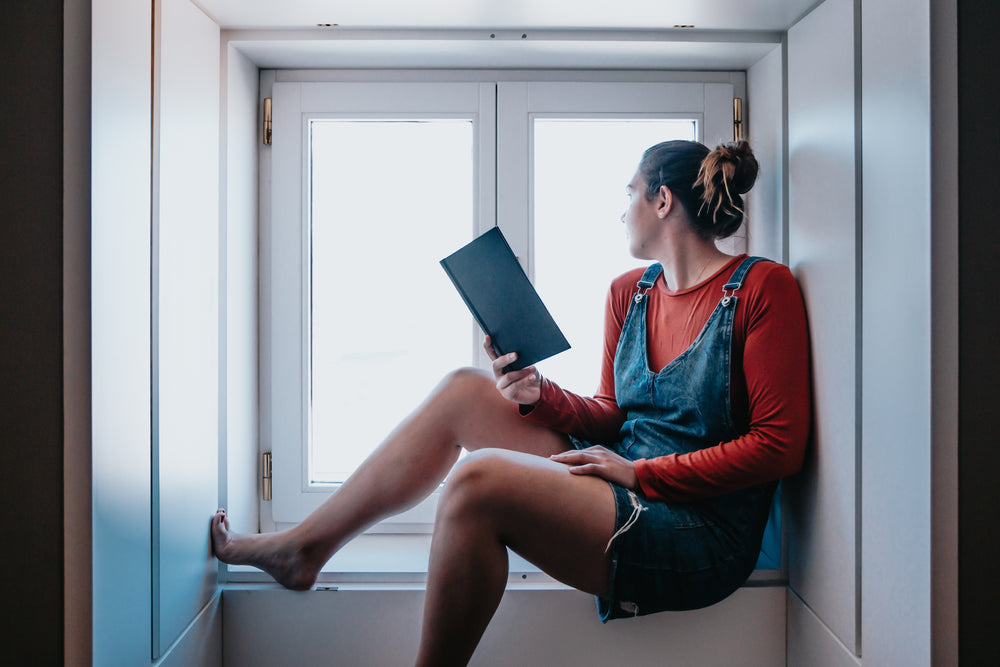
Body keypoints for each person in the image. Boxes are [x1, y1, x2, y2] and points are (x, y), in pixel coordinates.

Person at [211, 139, 810, 666]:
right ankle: (304, 549)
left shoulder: (763, 287)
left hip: (698, 527)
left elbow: (779, 447)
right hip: (622, 474)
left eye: (629, 193)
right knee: (464, 388)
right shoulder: (630, 291)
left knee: (477, 482)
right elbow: (612, 412)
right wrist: (538, 396)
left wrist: (638, 471)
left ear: (661, 202)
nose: (620, 209)